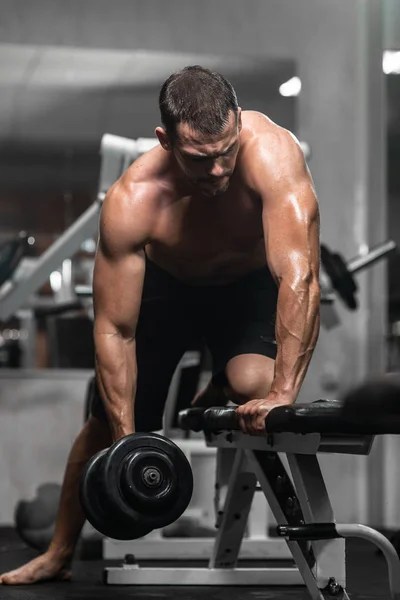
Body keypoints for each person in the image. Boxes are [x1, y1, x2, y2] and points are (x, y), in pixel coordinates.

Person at [0, 65, 320, 585]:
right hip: (167, 292)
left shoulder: (273, 154)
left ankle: (221, 381)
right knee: (103, 424)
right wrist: (128, 446)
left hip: (247, 288)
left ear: (238, 122)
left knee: (255, 387)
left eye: (226, 151)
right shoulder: (133, 201)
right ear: (165, 140)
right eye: (201, 159)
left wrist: (283, 392)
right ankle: (59, 552)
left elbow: (300, 279)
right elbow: (114, 331)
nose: (218, 172)